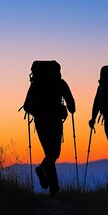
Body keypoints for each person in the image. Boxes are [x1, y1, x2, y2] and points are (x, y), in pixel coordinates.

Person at [22, 60, 76, 196]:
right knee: (54, 154)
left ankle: (54, 188)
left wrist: (37, 109)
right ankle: (43, 169)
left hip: (40, 122)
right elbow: (71, 103)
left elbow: (26, 105)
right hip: (55, 121)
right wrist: (70, 109)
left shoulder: (35, 85)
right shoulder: (60, 83)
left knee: (49, 153)